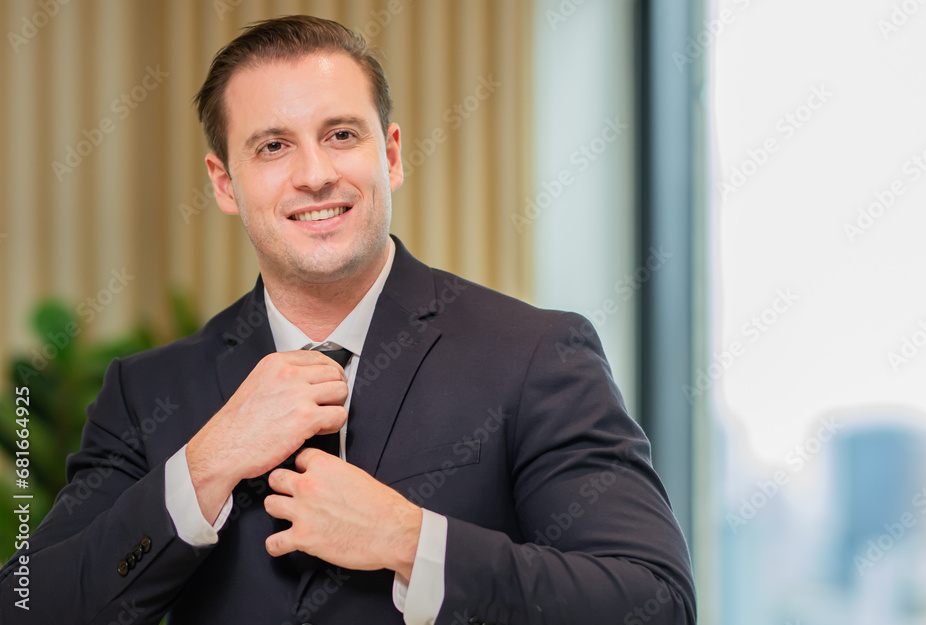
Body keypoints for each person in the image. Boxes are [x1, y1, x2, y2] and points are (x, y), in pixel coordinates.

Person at [0, 15, 695, 625]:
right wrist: (207, 464)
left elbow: (652, 600)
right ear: (223, 183)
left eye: (339, 134)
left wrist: (410, 539)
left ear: (389, 154)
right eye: (272, 146)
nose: (313, 174)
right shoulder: (147, 392)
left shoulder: (537, 354)